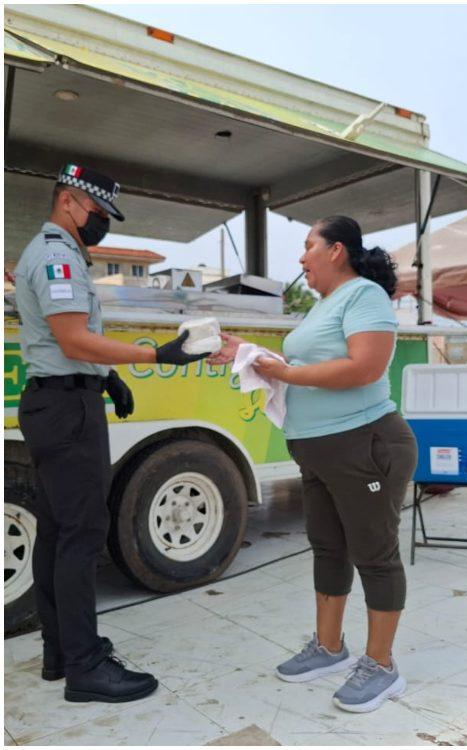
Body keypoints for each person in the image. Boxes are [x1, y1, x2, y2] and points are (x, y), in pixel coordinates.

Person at [209, 215, 417, 714]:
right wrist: (250, 353)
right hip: (318, 448)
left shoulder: (364, 296)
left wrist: (283, 370)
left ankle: (382, 665)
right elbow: (298, 363)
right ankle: (329, 648)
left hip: (364, 444)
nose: (301, 258)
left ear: (336, 251)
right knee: (328, 548)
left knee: (374, 553)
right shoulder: (325, 305)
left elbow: (363, 367)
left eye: (308, 246)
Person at [14, 164, 207, 703]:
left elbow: (70, 342)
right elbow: (74, 338)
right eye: (98, 213)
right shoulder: (57, 256)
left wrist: (110, 375)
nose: (102, 224)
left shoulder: (61, 252)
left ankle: (61, 651)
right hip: (67, 407)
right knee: (81, 536)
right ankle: (85, 667)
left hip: (61, 399)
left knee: (57, 533)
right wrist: (153, 356)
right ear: (71, 201)